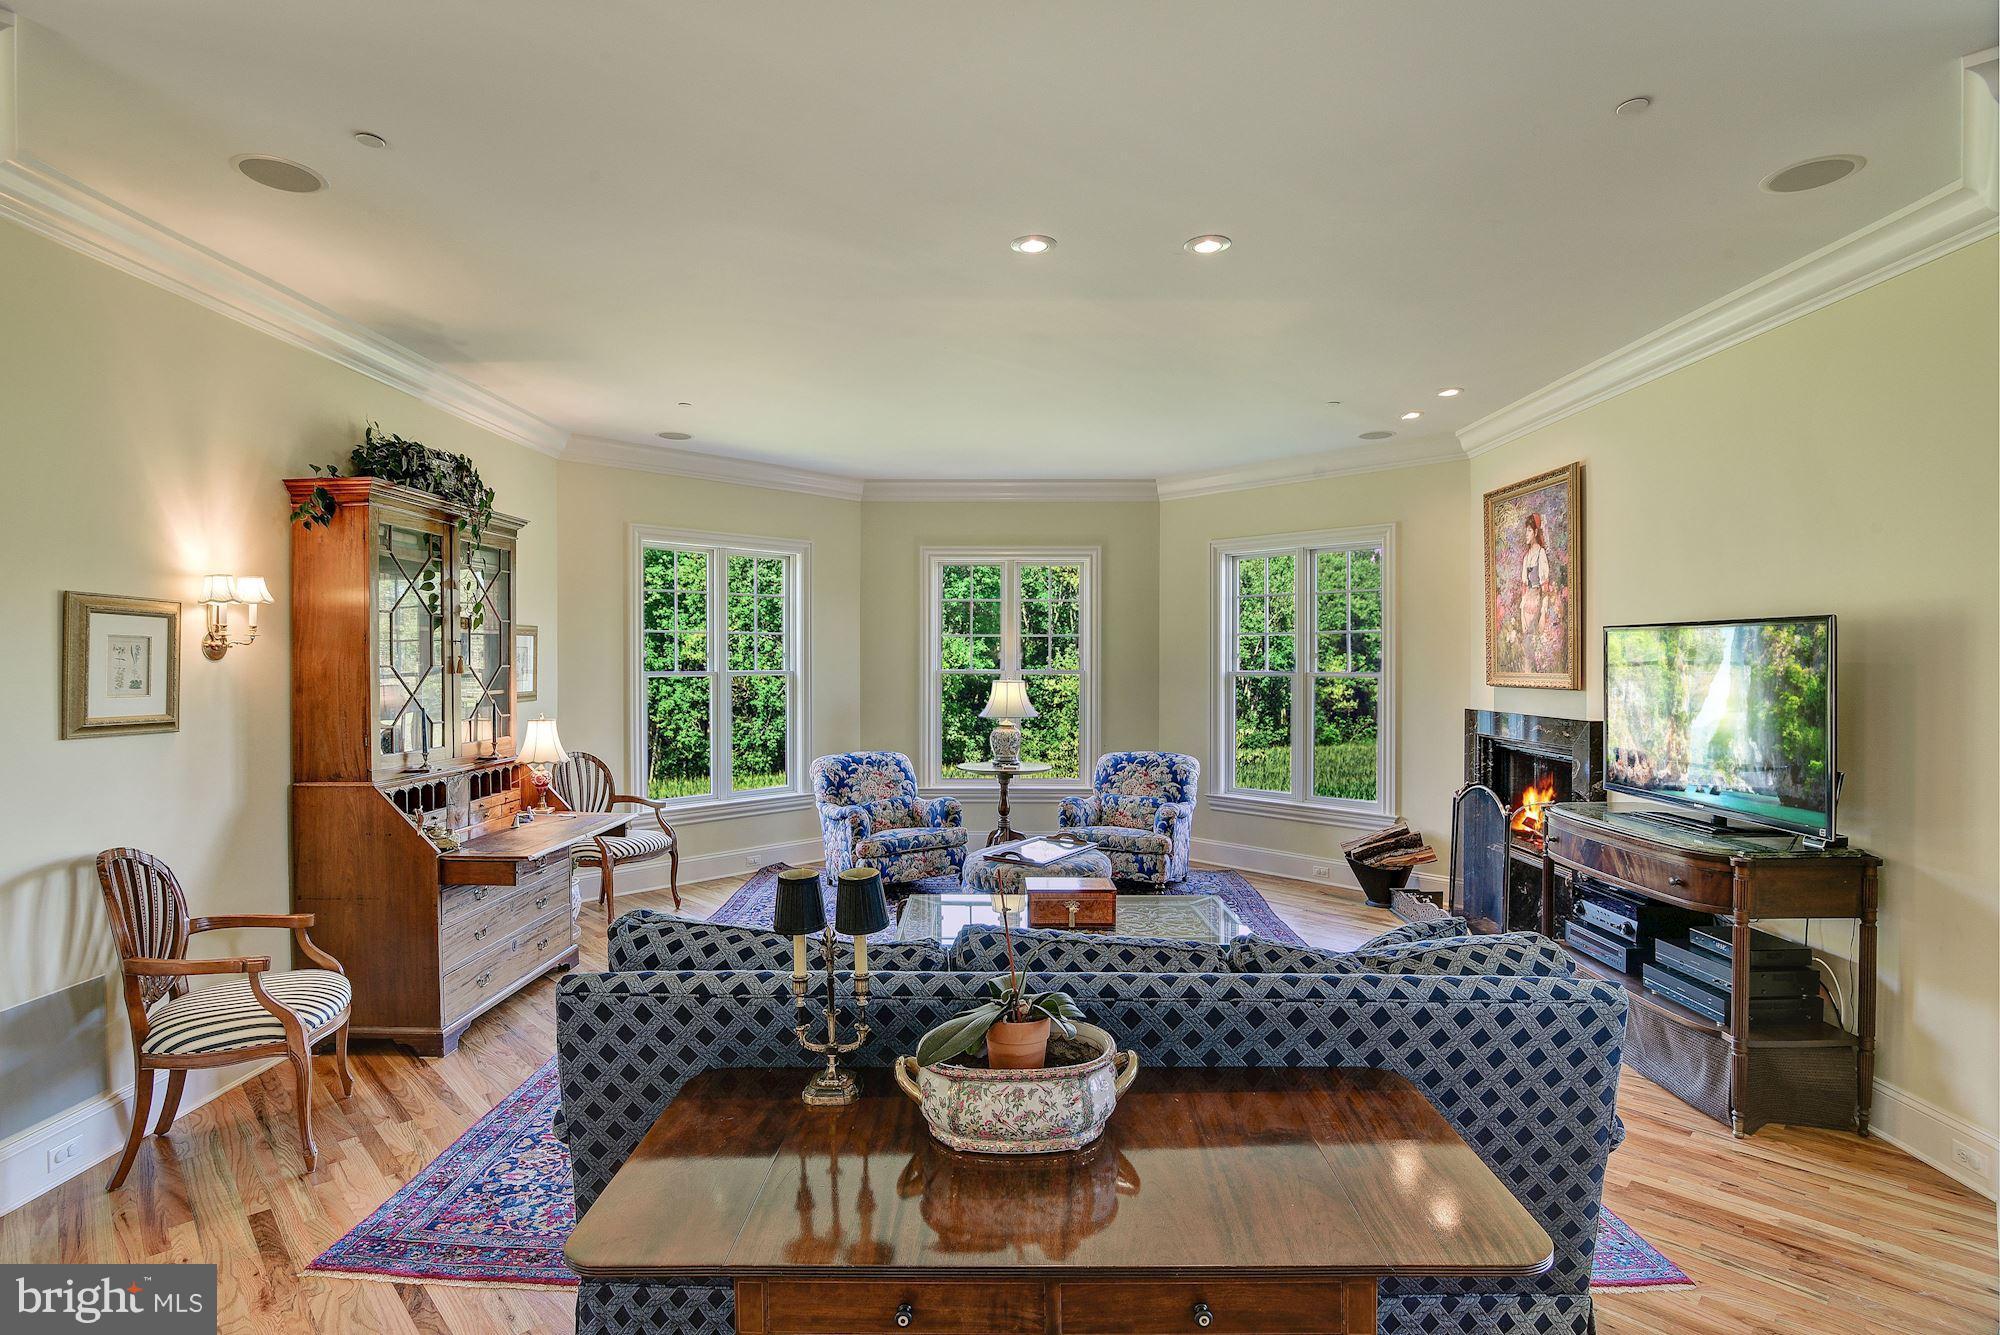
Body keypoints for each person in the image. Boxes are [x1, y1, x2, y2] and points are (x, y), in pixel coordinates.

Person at [1519, 512, 1552, 659]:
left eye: (1529, 531)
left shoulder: (1541, 553)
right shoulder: (1526, 557)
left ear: (1536, 532)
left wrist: (1543, 613)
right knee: (1526, 642)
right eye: (1525, 530)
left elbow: (1545, 588)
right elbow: (1524, 588)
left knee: (1535, 641)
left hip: (1537, 602)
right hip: (1527, 604)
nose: (1526, 534)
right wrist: (1522, 610)